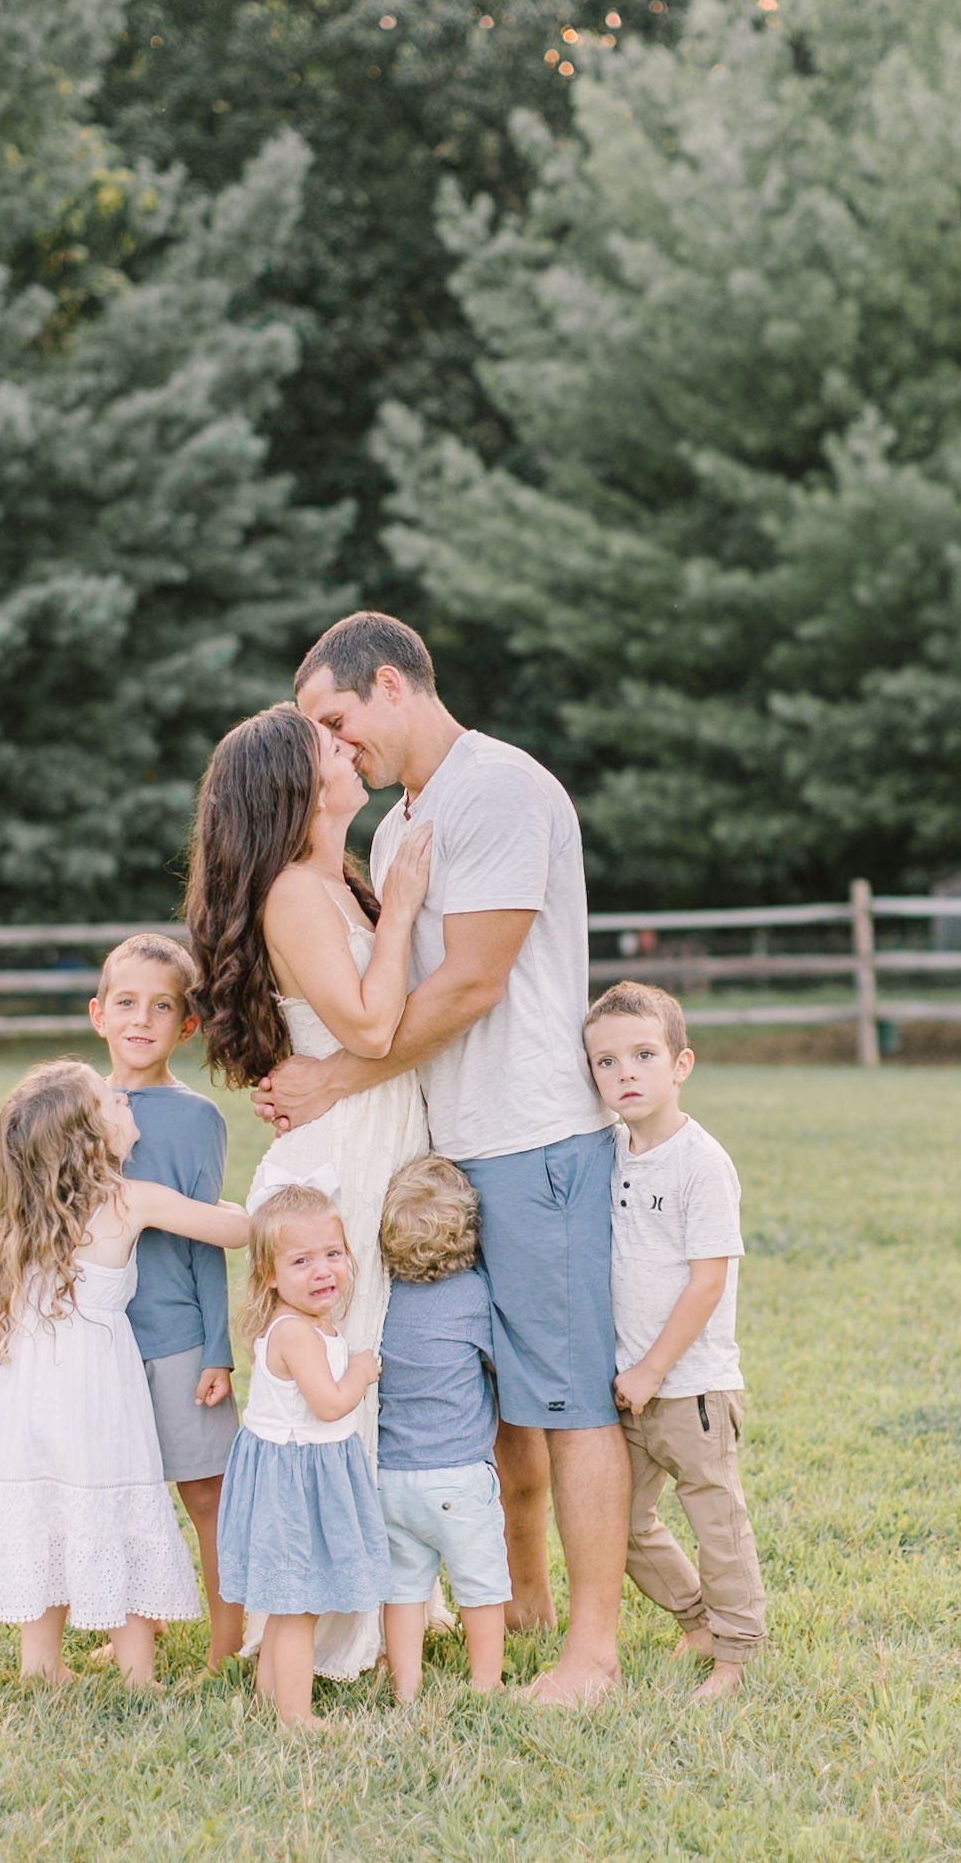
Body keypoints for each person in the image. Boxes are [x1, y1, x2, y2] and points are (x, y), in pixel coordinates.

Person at [259, 611, 628, 1706]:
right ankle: (524, 1602)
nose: (334, 746)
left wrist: (337, 1080)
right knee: (493, 1400)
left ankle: (592, 1655)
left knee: (567, 1400)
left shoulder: (499, 790)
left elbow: (473, 982)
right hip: (452, 1149)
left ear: (388, 685)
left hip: (534, 1136)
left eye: (335, 719)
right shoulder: (404, 822)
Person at [184, 700, 432, 1680]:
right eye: (329, 743)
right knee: (342, 1368)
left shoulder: (342, 885)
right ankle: (327, 1626)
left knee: (371, 1368)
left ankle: (364, 1606)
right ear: (299, 781)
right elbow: (371, 1031)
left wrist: (390, 901)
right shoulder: (295, 891)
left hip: (376, 1132)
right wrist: (406, 906)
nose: (349, 745)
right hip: (339, 1157)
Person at [0, 1058, 250, 1686]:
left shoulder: (26, 1216)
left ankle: (42, 1664)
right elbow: (235, 1230)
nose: (127, 1104)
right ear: (91, 1138)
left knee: (48, 1507)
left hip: (23, 1391)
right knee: (118, 1503)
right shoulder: (128, 1199)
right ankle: (137, 1672)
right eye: (112, 1103)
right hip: (93, 1388)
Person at [584, 981, 766, 1704]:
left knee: (716, 1522)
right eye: (605, 1062)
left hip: (688, 1385)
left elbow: (707, 1283)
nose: (625, 1073)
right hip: (628, 1385)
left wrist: (654, 1369)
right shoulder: (609, 1154)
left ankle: (738, 1652)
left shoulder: (700, 1163)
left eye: (643, 1054)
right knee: (617, 1524)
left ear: (680, 1064)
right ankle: (696, 1622)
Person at [88, 931, 243, 1668]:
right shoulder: (75, 1109)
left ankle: (226, 1638)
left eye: (161, 1007)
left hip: (178, 1340)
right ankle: (132, 1633)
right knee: (118, 1495)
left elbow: (207, 1238)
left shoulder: (196, 1120)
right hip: (96, 1340)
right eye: (126, 1003)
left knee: (205, 1497)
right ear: (98, 1014)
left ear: (185, 1026)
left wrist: (218, 1349)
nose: (140, 1020)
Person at [215, 1183, 393, 1728]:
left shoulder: (313, 1324)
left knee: (295, 1601)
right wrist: (361, 1371)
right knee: (297, 1608)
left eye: (333, 1255)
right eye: (301, 1261)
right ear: (269, 1274)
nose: (323, 1272)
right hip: (294, 1483)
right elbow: (331, 1403)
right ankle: (296, 1716)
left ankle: (271, 1696)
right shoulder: (295, 1333)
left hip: (300, 1473)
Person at [376, 1156, 511, 1701]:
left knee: (405, 1588)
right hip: (457, 1477)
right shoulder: (473, 1296)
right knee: (480, 1585)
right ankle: (485, 1684)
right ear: (470, 1232)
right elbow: (499, 1361)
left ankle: (405, 1688)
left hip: (391, 1478)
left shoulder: (383, 1301)